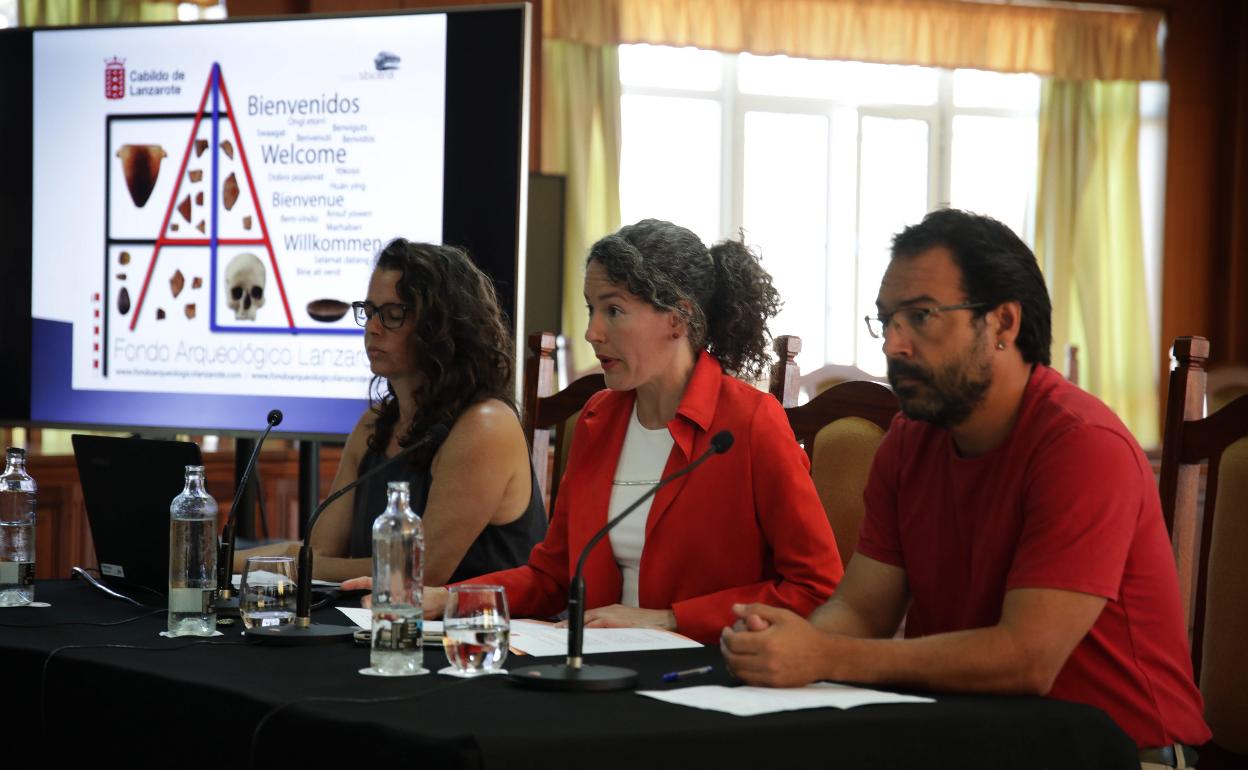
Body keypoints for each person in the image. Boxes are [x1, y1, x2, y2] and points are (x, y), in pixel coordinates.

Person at [721, 209, 1210, 764]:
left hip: (1122, 752)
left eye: (921, 317)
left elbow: (1025, 658)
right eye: (886, 321)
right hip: (969, 735)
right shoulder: (908, 443)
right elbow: (862, 610)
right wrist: (787, 642)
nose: (894, 345)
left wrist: (826, 656)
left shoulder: (1082, 444)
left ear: (1002, 323)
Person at [348, 219, 843, 643]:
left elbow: (815, 587)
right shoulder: (597, 419)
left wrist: (669, 620)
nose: (592, 332)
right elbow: (552, 576)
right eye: (590, 309)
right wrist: (450, 598)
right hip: (594, 663)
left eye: (613, 310)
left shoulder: (750, 423)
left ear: (678, 318)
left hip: (703, 670)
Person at [237, 239, 546, 585]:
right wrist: (216, 561)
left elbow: (418, 573)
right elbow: (321, 552)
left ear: (442, 327)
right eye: (369, 311)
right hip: (382, 624)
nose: (372, 327)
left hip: (477, 632)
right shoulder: (375, 423)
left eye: (393, 314)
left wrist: (290, 562)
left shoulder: (485, 426)